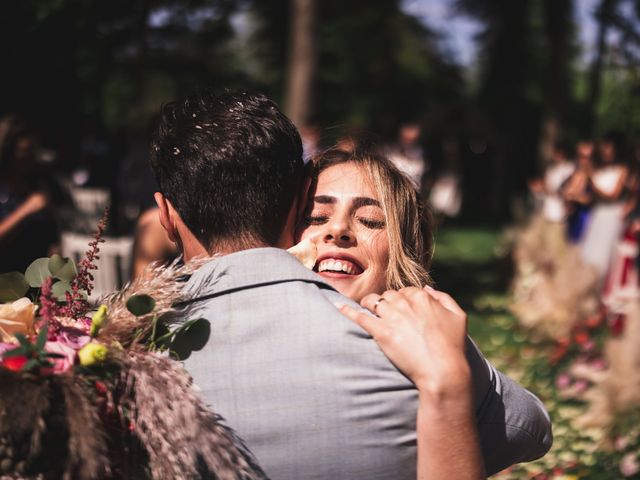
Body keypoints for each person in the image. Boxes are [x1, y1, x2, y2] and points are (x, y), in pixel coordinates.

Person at [150, 91, 552, 479]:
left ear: (403, 251)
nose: (338, 230)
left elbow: (531, 427)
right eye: (317, 216)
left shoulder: (428, 340)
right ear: (287, 221)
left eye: (371, 221)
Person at [580, 132, 630, 280]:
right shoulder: (597, 170)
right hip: (598, 213)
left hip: (612, 214)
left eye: (609, 148)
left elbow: (613, 195)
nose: (606, 152)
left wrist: (592, 182)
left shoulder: (621, 170)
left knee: (606, 254)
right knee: (590, 251)